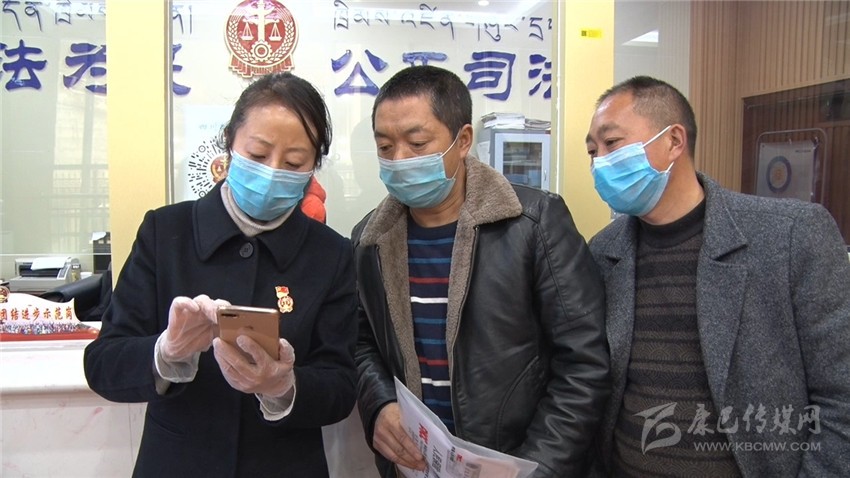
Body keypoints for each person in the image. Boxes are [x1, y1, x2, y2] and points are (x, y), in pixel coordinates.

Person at [84, 72, 358, 477]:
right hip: (177, 465)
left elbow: (341, 386)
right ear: (229, 141)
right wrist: (167, 352)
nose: (272, 172)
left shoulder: (331, 253)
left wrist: (283, 386)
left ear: (313, 167)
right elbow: (103, 364)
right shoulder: (165, 232)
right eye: (258, 154)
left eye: (294, 162)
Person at [351, 65, 610, 477]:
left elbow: (583, 362)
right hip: (417, 465)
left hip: (516, 463)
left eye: (417, 143)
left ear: (463, 141)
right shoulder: (369, 240)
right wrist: (379, 405)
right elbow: (363, 344)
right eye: (385, 146)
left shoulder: (534, 224)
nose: (399, 160)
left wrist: (537, 468)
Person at [584, 76, 850, 477]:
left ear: (674, 140)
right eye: (592, 151)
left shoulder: (791, 236)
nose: (599, 162)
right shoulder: (603, 252)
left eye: (611, 143)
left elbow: (841, 397)